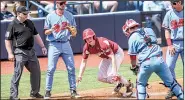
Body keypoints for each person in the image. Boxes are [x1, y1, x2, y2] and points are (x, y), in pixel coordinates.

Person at [122, 19, 184, 100]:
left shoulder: (132, 37)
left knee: (140, 84)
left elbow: (133, 57)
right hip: (160, 61)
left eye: (127, 30)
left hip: (146, 63)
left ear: (129, 29)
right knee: (172, 83)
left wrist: (134, 67)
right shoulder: (149, 30)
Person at [77, 28, 134, 97]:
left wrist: (115, 73)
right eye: (86, 38)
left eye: (90, 37)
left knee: (111, 74)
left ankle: (128, 85)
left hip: (116, 53)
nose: (89, 39)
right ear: (85, 40)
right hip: (106, 57)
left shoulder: (102, 43)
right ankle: (120, 83)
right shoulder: (86, 48)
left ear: (93, 36)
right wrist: (80, 75)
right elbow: (83, 61)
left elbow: (112, 57)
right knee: (100, 77)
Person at [5, 6, 47, 99]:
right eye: (25, 14)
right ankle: (13, 96)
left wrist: (43, 46)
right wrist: (10, 53)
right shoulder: (12, 24)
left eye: (27, 13)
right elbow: (7, 40)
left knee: (36, 72)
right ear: (18, 14)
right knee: (17, 73)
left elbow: (36, 35)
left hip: (31, 52)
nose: (27, 15)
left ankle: (35, 93)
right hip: (19, 52)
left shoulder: (30, 22)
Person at [43, 1, 80, 99]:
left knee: (71, 68)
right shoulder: (50, 16)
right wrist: (51, 30)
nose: (63, 5)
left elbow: (74, 33)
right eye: (61, 3)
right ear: (57, 4)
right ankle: (47, 91)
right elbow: (45, 32)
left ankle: (73, 90)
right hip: (54, 44)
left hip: (66, 43)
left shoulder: (70, 16)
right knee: (50, 69)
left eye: (64, 3)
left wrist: (72, 32)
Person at [162, 0, 184, 99]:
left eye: (175, 2)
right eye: (172, 2)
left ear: (180, 2)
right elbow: (167, 30)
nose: (173, 4)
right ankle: (174, 89)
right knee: (169, 66)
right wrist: (170, 45)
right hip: (174, 43)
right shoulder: (169, 14)